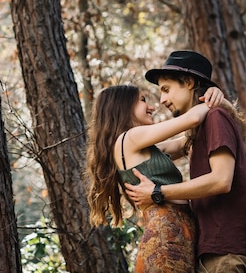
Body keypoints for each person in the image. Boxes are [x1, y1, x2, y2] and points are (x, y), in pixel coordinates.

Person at [124, 50, 246, 272]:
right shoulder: (197, 130)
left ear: (188, 82)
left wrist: (158, 191)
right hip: (212, 249)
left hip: (225, 250)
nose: (162, 100)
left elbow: (221, 180)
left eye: (166, 90)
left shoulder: (216, 117)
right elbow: (160, 150)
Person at [85, 83, 224, 272]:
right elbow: (192, 119)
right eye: (143, 100)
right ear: (123, 106)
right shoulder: (130, 137)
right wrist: (213, 98)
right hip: (166, 236)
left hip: (174, 233)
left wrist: (215, 98)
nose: (152, 106)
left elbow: (186, 143)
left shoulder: (141, 147)